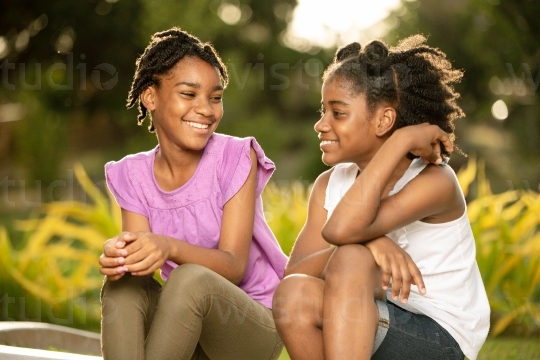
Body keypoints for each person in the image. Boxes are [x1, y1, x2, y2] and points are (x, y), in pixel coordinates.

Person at [272, 35, 490, 360]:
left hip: (441, 340)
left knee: (351, 258)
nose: (320, 124)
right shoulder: (328, 185)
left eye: (338, 113)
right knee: (294, 296)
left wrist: (400, 141)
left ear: (384, 121)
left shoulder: (435, 180)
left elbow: (341, 231)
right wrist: (370, 241)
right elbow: (296, 276)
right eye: (323, 110)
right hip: (370, 324)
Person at [98, 27, 287, 360]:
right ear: (150, 97)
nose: (207, 109)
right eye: (189, 94)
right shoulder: (132, 173)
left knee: (190, 278)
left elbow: (233, 266)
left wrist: (168, 246)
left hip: (248, 328)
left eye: (215, 97)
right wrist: (121, 256)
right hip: (183, 323)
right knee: (123, 285)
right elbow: (142, 263)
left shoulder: (236, 156)